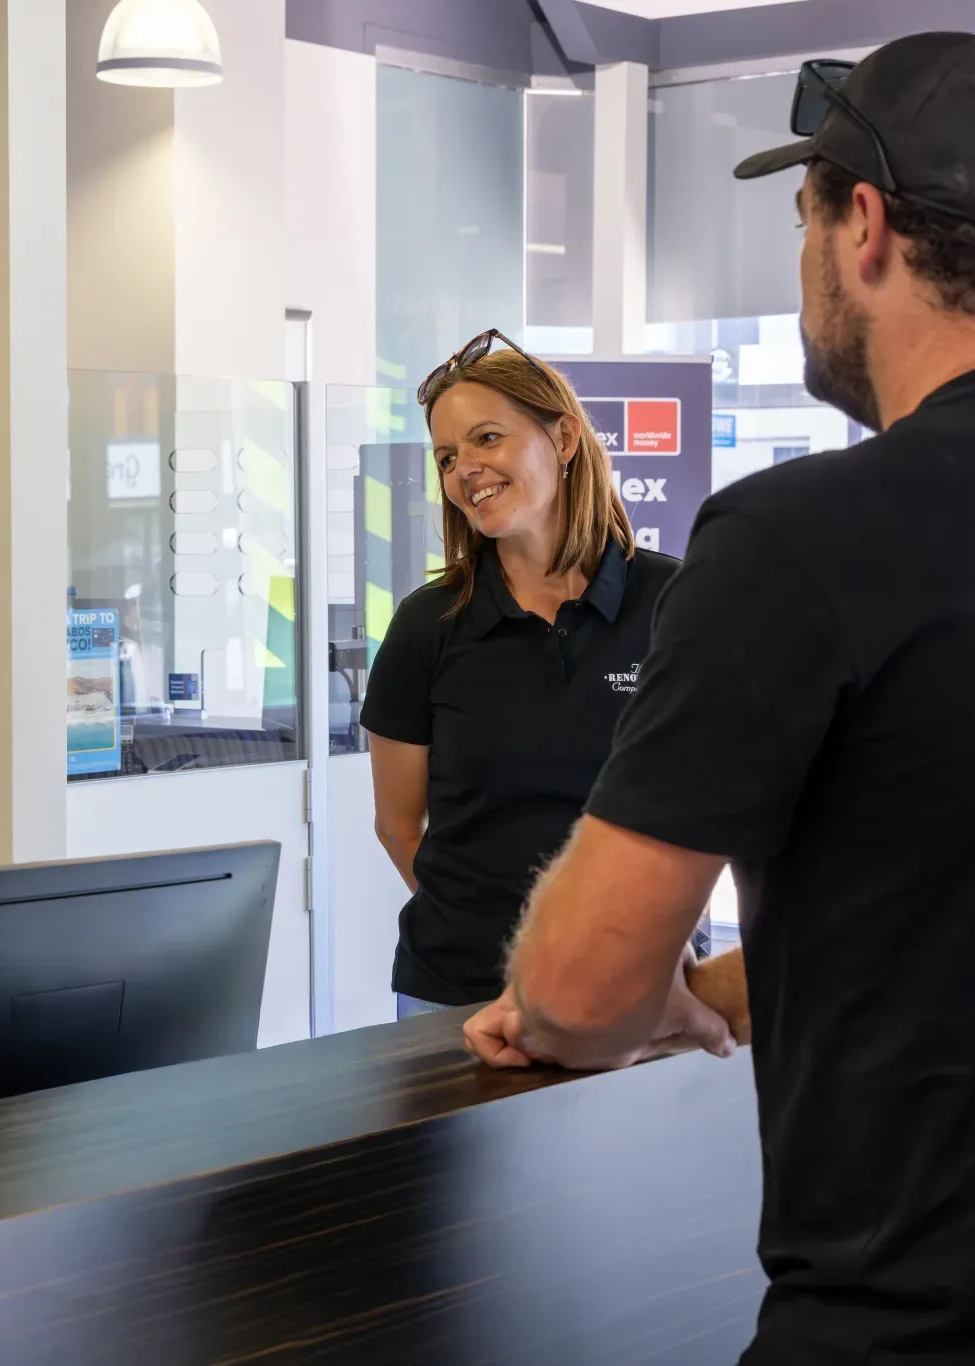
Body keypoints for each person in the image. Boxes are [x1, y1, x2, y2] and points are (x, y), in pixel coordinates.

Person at [463, 33, 975, 1363]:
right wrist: (714, 994)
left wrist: (628, 994)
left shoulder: (797, 538)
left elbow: (576, 987)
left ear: (861, 224)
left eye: (800, 215)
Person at [362, 339, 711, 1023]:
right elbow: (397, 824)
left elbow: (714, 805)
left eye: (486, 438)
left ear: (563, 438)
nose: (465, 470)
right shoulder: (427, 625)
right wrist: (492, 935)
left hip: (643, 982)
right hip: (458, 992)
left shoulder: (676, 603)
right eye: (446, 457)